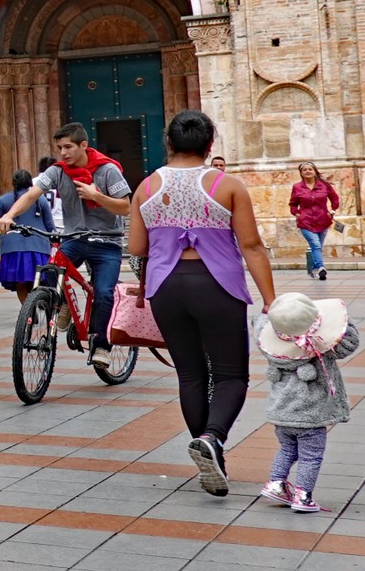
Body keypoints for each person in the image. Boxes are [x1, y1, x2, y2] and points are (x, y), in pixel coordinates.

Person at [128, 110, 275, 497]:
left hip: (166, 287)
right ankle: (213, 438)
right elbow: (252, 246)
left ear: (169, 143)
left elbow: (136, 248)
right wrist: (270, 300)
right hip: (216, 285)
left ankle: (210, 454)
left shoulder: (146, 187)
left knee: (190, 375)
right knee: (230, 375)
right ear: (210, 145)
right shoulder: (227, 185)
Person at [0, 122, 131, 368]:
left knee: (103, 292)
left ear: (83, 145)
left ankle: (101, 346)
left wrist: (96, 196)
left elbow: (126, 206)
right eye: (60, 148)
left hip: (107, 241)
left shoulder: (108, 170)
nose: (64, 153)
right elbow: (30, 195)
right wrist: (9, 216)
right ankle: (64, 303)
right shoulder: (58, 171)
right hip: (75, 238)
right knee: (49, 272)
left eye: (68, 147)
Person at [255, 292, 359, 513]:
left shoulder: (269, 345)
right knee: (311, 456)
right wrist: (339, 320)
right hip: (310, 415)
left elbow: (261, 321)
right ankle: (303, 496)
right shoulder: (321, 344)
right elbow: (349, 342)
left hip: (282, 413)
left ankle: (276, 483)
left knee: (287, 448)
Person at [0, 169, 55, 303]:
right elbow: (50, 225)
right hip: (38, 247)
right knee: (37, 280)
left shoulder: (3, 200)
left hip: (12, 248)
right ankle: (36, 306)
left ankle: (27, 312)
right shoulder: (40, 200)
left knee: (19, 282)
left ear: (13, 183)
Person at [289, 161, 340, 280]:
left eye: (310, 169)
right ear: (301, 173)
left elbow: (334, 198)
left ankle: (313, 269)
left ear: (314, 171)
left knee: (317, 247)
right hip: (305, 222)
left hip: (323, 220)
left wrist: (333, 209)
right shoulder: (297, 187)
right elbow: (293, 204)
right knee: (315, 245)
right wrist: (296, 213)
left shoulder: (324, 185)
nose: (307, 171)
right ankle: (321, 267)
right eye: (304, 170)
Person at [37, 156, 64, 231]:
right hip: (60, 221)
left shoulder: (32, 182)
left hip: (40, 223)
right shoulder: (62, 181)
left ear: (39, 168)